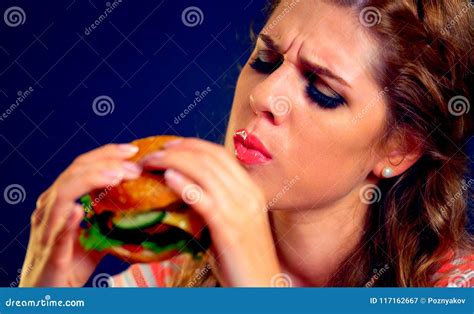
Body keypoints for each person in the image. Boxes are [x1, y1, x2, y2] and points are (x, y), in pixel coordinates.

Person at [20, 0, 473, 287]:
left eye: (323, 91)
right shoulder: (163, 277)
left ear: (399, 149)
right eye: (264, 59)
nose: (262, 96)